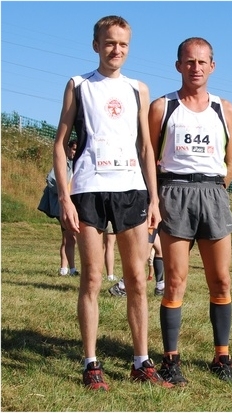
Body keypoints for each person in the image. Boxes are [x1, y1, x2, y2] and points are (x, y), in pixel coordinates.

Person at [52, 15, 172, 391]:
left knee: (136, 278)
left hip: (131, 190)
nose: (115, 49)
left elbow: (146, 147)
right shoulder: (78, 85)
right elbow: (60, 143)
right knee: (91, 278)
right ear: (96, 45)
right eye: (109, 43)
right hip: (88, 189)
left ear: (129, 47)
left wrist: (154, 198)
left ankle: (141, 362)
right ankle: (91, 363)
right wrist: (64, 196)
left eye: (122, 44)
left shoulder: (138, 89)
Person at [148, 37, 232, 385]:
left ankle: (222, 356)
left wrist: (215, 190)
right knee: (174, 281)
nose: (195, 68)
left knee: (221, 280)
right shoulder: (163, 107)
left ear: (212, 66)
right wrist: (156, 199)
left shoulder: (224, 108)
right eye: (189, 61)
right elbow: (148, 157)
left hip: (212, 193)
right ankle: (170, 359)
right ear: (178, 66)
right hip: (174, 192)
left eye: (201, 62)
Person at [38, 139, 79, 276]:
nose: (75, 152)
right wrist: (63, 193)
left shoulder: (78, 164)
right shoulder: (63, 163)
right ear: (68, 149)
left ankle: (65, 268)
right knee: (70, 237)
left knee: (68, 238)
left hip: (74, 206)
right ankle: (69, 269)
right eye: (73, 149)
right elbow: (50, 180)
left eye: (77, 150)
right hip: (63, 207)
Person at [148, 228, 165, 296]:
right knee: (143, 254)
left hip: (154, 227)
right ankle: (122, 285)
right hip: (149, 225)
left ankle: (160, 287)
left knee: (160, 250)